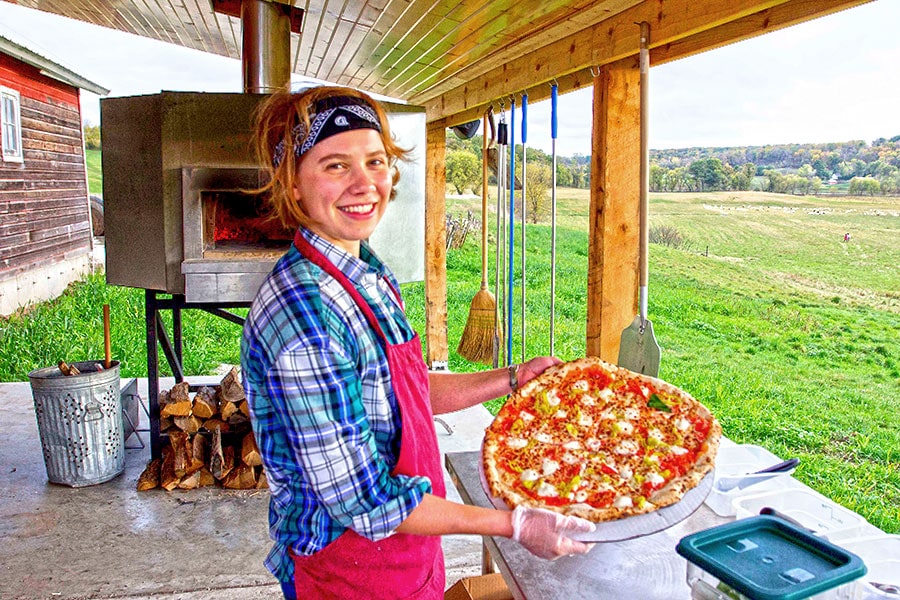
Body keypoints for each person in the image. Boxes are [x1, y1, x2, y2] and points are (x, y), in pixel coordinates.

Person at [240, 86, 594, 600]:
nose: (365, 185)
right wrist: (514, 526)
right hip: (350, 573)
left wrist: (513, 378)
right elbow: (366, 503)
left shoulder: (364, 269)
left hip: (408, 554)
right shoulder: (306, 318)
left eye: (375, 161)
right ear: (293, 185)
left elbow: (401, 394)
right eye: (336, 166)